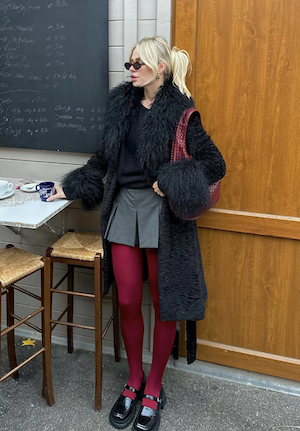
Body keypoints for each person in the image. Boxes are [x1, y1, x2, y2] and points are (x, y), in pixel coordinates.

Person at [48, 36, 226, 431]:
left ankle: (154, 387)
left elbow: (215, 164)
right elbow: (103, 157)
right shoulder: (122, 107)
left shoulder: (182, 114)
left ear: (159, 68)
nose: (130, 69)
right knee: (127, 299)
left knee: (165, 304)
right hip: (123, 211)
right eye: (128, 64)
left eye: (137, 64)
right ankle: (133, 380)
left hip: (163, 218)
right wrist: (72, 185)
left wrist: (172, 179)